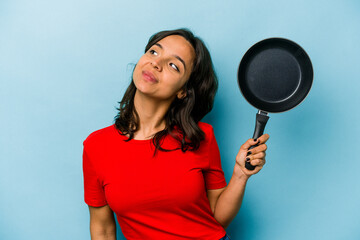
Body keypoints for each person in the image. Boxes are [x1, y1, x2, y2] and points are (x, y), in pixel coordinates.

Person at [82, 28, 269, 240]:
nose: (156, 63)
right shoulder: (96, 146)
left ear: (183, 91)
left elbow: (218, 218)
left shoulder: (202, 137)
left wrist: (240, 174)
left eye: (173, 65)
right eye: (154, 52)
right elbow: (102, 229)